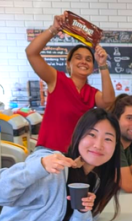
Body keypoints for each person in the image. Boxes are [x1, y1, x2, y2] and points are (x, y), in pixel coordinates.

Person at [26, 14, 115, 153]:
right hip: (49, 153)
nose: (83, 62)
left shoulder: (91, 93)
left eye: (88, 59)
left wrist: (103, 64)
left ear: (93, 67)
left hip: (76, 155)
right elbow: (31, 53)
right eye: (78, 58)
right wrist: (53, 29)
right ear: (68, 63)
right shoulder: (56, 80)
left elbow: (108, 101)